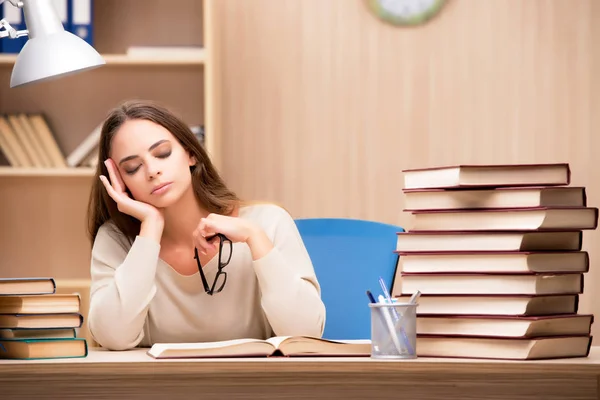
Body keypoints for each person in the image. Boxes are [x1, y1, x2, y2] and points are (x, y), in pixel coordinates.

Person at [86, 100, 325, 351]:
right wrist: (150, 228)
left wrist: (255, 237)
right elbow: (113, 337)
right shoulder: (116, 240)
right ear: (119, 182)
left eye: (162, 153)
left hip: (255, 388)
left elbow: (305, 334)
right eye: (133, 168)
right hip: (156, 389)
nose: (152, 171)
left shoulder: (268, 223)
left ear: (191, 153)